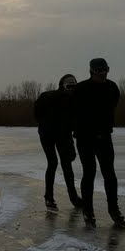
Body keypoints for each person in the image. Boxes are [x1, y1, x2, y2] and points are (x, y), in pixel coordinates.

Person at [73, 57, 125, 228]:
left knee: (109, 172)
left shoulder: (112, 88)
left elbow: (113, 107)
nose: (103, 74)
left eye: (106, 70)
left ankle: (113, 209)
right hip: (84, 138)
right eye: (99, 71)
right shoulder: (80, 89)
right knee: (89, 172)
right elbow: (71, 113)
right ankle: (88, 210)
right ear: (91, 71)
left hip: (104, 137)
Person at [34, 74, 83, 211]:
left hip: (58, 134)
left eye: (74, 86)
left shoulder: (72, 99)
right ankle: (51, 197)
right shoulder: (62, 98)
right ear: (62, 85)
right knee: (54, 163)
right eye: (69, 86)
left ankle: (69, 198)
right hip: (48, 134)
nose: (72, 88)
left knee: (64, 164)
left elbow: (72, 122)